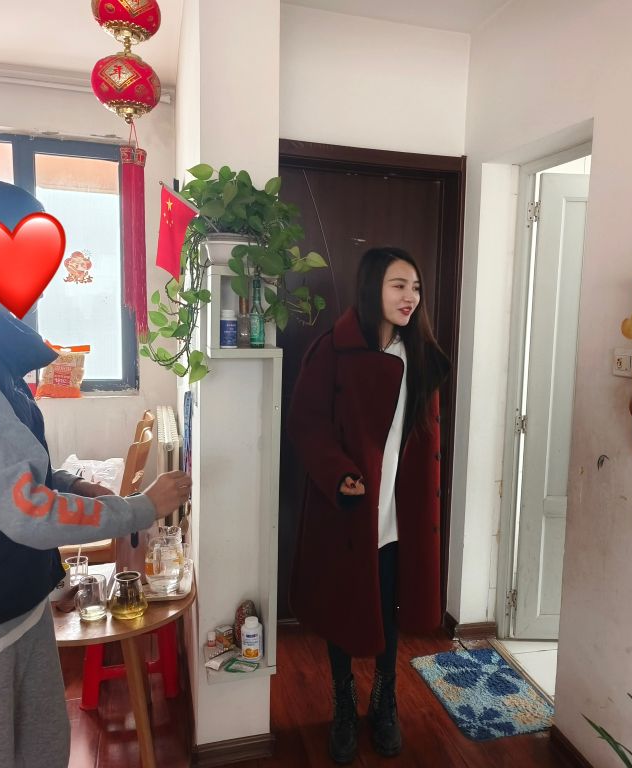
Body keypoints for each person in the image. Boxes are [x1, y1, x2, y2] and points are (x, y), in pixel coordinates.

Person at [0, 178, 191, 768]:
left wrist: (71, 485)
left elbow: (14, 467)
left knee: (45, 750)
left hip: (13, 606)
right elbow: (23, 509)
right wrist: (141, 507)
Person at [287, 246, 450, 764]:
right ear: (372, 287)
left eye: (416, 288)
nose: (410, 297)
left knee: (389, 605)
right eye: (398, 285)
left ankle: (384, 699)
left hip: (399, 512)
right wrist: (340, 474)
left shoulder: (417, 353)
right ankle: (342, 702)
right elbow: (308, 423)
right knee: (343, 606)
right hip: (350, 509)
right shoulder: (332, 351)